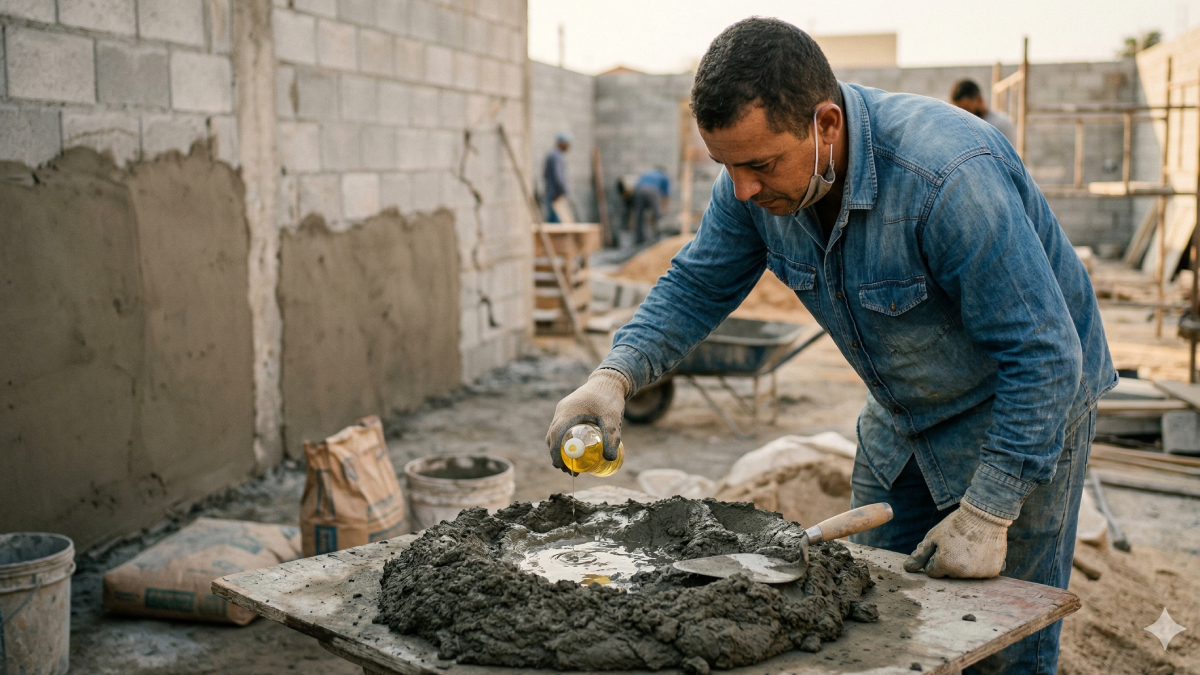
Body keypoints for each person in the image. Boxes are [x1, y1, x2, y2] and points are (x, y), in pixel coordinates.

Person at [545, 17, 1113, 675]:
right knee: (864, 615)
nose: (743, 189)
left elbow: (1046, 356)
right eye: (727, 166)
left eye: (759, 165)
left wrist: (988, 511)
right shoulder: (752, 184)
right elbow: (698, 282)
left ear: (827, 126)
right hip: (901, 415)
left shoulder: (948, 177)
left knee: (1001, 642)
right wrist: (613, 376)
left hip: (1024, 410)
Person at [951, 79, 1018, 146]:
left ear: (979, 99)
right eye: (959, 111)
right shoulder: (963, 127)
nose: (963, 114)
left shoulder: (1001, 124)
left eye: (966, 109)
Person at [631, 167, 671, 244]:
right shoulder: (664, 176)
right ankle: (658, 237)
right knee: (658, 214)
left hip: (638, 190)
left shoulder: (647, 172)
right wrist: (665, 209)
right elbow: (666, 195)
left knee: (639, 215)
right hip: (652, 191)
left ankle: (639, 239)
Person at [543, 132, 572, 222]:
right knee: (555, 219)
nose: (568, 147)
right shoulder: (556, 156)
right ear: (562, 143)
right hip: (555, 194)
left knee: (553, 217)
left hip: (552, 192)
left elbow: (545, 174)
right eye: (567, 144)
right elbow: (558, 176)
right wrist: (561, 190)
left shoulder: (552, 155)